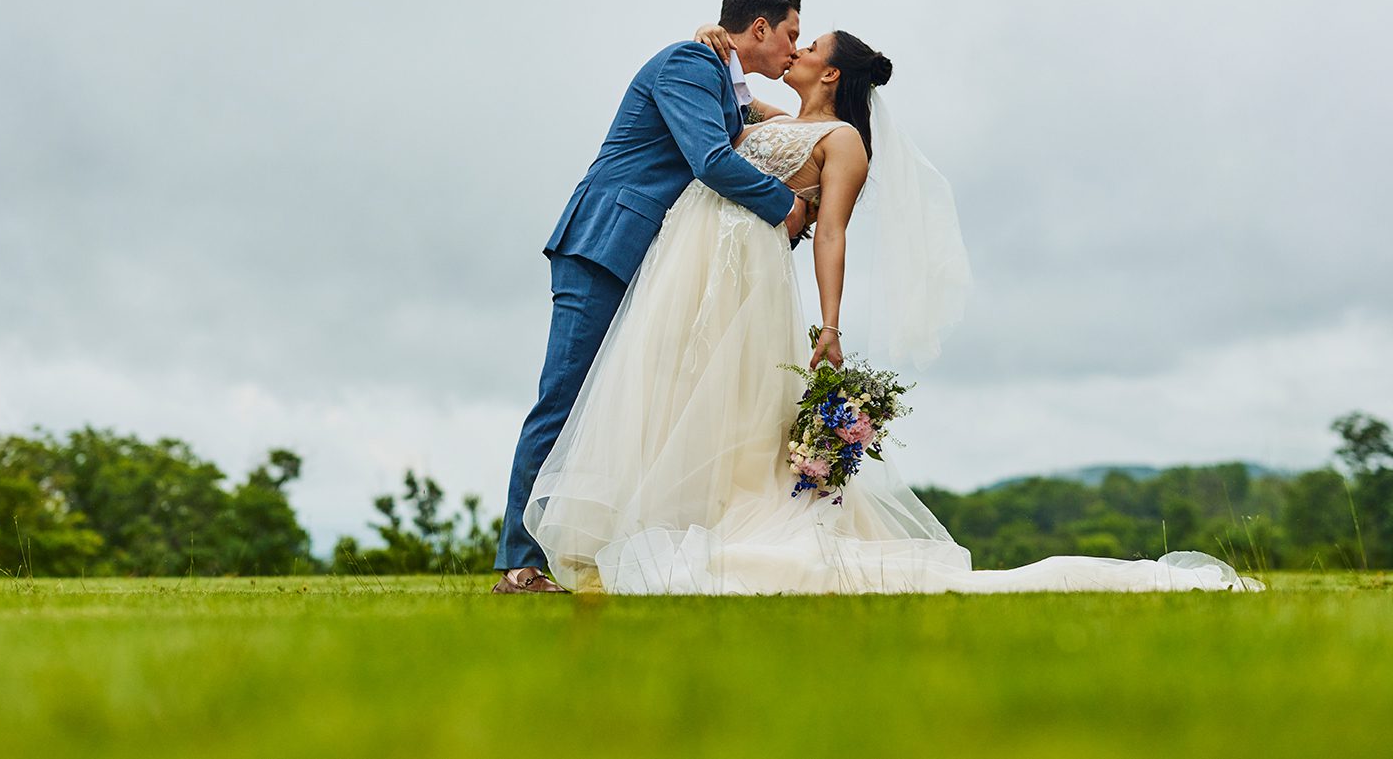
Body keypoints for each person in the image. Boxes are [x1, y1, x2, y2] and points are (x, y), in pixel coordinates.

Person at [524, 30, 1264, 594]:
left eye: (809, 46)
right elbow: (724, 120)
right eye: (793, 37)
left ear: (831, 72)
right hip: (693, 275)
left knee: (733, 409)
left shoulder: (844, 141)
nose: (796, 51)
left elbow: (831, 234)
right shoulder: (771, 116)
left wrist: (830, 326)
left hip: (749, 284)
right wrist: (714, 44)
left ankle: (714, 532)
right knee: (673, 397)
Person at [492, 0, 815, 594]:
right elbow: (711, 160)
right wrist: (786, 207)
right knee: (563, 400)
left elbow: (746, 117)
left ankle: (596, 549)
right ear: (760, 28)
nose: (794, 50)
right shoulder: (690, 63)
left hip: (646, 260)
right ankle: (520, 565)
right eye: (791, 35)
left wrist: (798, 121)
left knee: (623, 411)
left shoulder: (720, 79)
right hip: (604, 245)